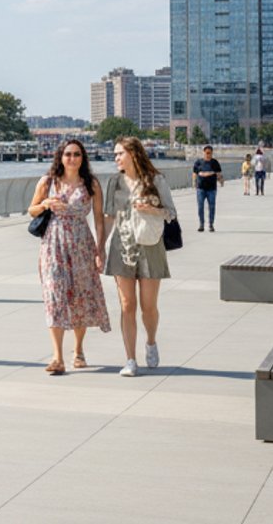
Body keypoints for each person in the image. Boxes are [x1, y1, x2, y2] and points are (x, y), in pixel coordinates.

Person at [28, 140, 111, 375]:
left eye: (76, 154)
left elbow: (98, 217)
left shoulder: (91, 184)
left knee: (80, 296)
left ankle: (79, 349)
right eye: (67, 154)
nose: (72, 158)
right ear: (60, 157)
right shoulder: (48, 182)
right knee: (54, 295)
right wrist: (44, 204)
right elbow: (31, 210)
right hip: (53, 244)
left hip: (81, 244)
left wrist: (100, 248)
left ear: (83, 157)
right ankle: (57, 357)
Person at [104, 136, 175, 377]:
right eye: (115, 154)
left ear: (133, 154)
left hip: (149, 246)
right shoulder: (114, 182)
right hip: (120, 247)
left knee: (148, 306)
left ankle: (151, 342)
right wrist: (97, 247)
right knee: (126, 305)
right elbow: (108, 217)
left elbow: (171, 213)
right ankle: (130, 359)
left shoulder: (156, 180)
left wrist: (151, 209)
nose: (116, 158)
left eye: (119, 154)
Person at [192, 145, 222, 232]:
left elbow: (219, 173)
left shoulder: (215, 163)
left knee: (212, 207)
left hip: (212, 189)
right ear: (204, 153)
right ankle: (201, 224)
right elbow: (194, 173)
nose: (208, 155)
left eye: (210, 153)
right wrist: (194, 182)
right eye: (207, 153)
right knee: (200, 206)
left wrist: (221, 180)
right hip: (201, 188)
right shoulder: (198, 162)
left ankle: (211, 225)